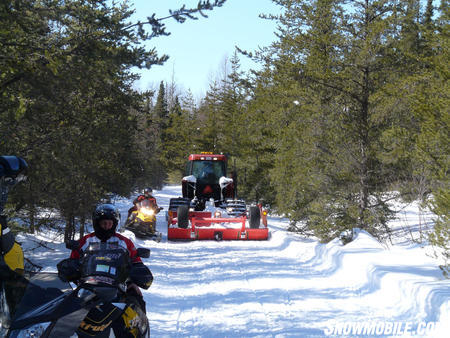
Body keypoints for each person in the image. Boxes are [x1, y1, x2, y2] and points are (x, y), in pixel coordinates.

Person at [65, 203, 153, 337]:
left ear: (114, 223)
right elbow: (74, 260)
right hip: (88, 286)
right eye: (103, 223)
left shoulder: (124, 242)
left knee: (136, 299)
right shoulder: (85, 241)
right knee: (66, 307)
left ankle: (140, 332)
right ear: (96, 223)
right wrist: (70, 270)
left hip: (119, 286)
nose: (106, 226)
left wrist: (134, 279)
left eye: (109, 223)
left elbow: (136, 261)